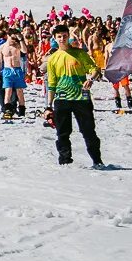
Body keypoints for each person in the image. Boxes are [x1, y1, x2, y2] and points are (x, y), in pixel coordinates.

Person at [46, 24, 103, 166]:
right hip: (62, 98)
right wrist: (48, 105)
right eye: (59, 36)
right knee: (62, 133)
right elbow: (51, 84)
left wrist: (91, 79)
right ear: (55, 38)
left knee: (88, 131)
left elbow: (95, 69)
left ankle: (97, 160)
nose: (62, 39)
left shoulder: (80, 53)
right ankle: (65, 161)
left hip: (81, 97)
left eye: (64, 36)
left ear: (68, 36)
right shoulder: (52, 58)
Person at [0, 32, 27, 117]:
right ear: (8, 36)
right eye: (12, 38)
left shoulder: (17, 45)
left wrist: (21, 39)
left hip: (17, 69)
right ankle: (7, 109)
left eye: (15, 38)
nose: (14, 40)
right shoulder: (2, 47)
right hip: (7, 70)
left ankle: (22, 109)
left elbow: (25, 50)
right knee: (8, 90)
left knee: (19, 91)